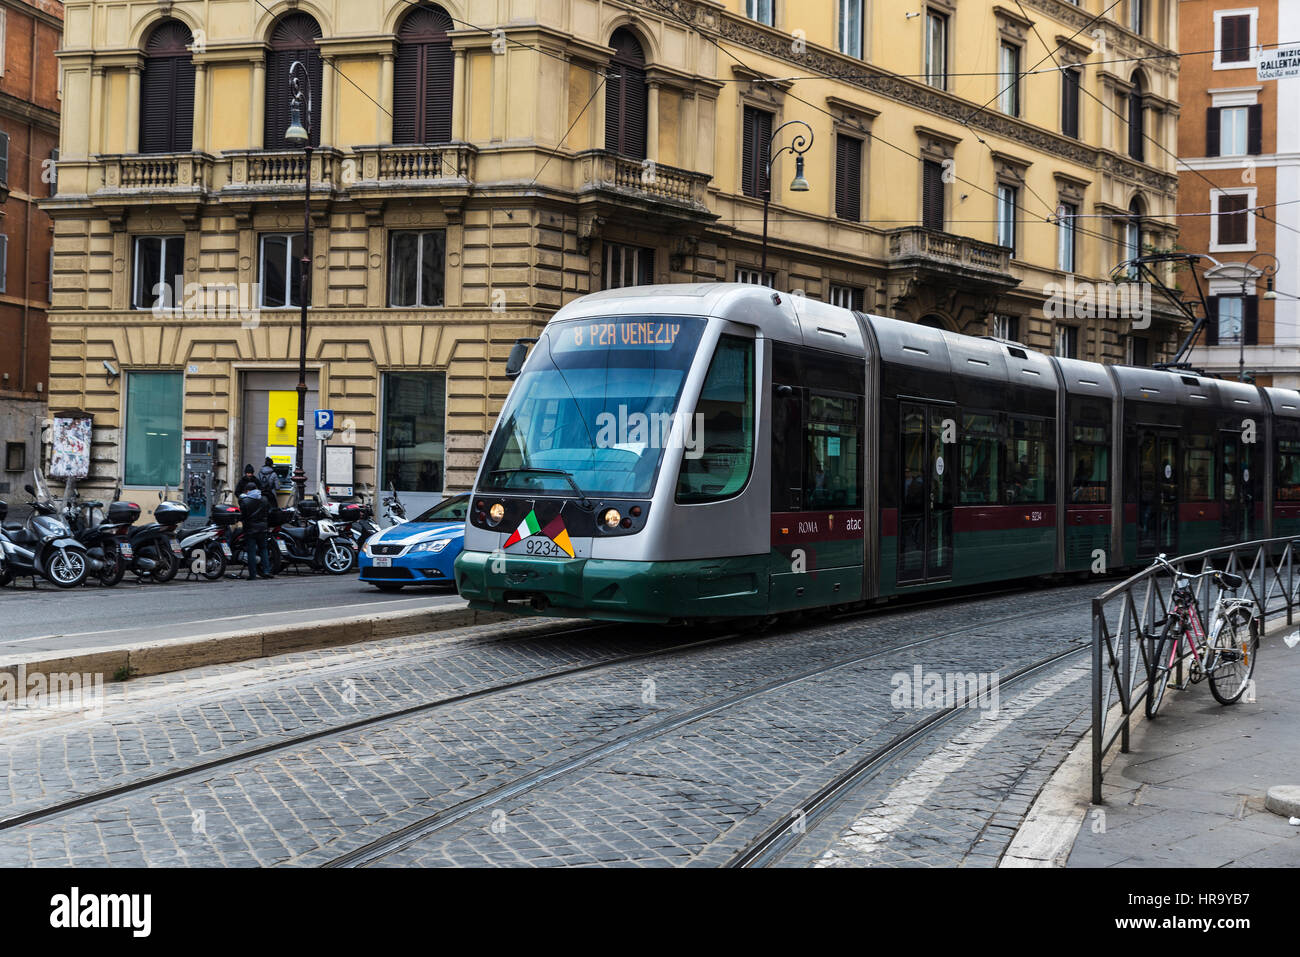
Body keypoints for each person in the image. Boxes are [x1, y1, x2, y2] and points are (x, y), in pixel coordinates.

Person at [238, 486, 273, 580]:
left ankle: (252, 574)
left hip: (250, 529)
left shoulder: (245, 501)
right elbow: (268, 512)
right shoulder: (264, 499)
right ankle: (266, 571)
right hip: (263, 528)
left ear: (248, 490)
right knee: (264, 549)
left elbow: (243, 516)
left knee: (251, 552)